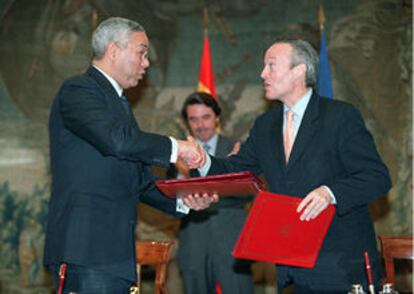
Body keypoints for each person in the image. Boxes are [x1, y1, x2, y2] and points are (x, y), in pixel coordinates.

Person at [195, 39, 392, 293]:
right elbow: (235, 170)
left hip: (340, 265)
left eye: (271, 65)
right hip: (291, 268)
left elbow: (377, 177)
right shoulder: (265, 125)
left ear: (299, 70)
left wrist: (330, 193)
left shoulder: (340, 117)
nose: (262, 73)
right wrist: (201, 161)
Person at [43, 17, 215, 294]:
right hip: (86, 250)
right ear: (114, 51)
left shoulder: (118, 105)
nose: (147, 62)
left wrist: (185, 200)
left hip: (115, 254)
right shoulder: (78, 90)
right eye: (141, 52)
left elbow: (140, 182)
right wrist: (177, 147)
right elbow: (118, 142)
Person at [168, 92, 253, 294]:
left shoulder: (236, 148)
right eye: (193, 119)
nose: (200, 125)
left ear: (217, 118)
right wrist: (182, 174)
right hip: (193, 240)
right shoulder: (177, 152)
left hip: (231, 237)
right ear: (186, 122)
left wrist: (224, 181)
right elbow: (172, 200)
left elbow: (248, 193)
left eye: (206, 117)